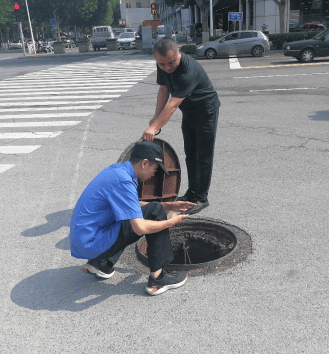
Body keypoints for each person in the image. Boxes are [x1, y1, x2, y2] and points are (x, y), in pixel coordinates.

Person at [70, 141, 196, 296]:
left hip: (84, 240)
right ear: (144, 163)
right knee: (154, 211)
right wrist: (170, 222)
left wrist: (170, 206)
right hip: (92, 243)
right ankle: (158, 278)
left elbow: (131, 205)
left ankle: (101, 263)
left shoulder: (118, 172)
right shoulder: (124, 180)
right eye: (155, 169)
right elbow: (140, 227)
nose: (154, 175)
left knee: (133, 212)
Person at [143, 37, 220, 215]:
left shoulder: (188, 70)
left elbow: (173, 104)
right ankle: (191, 193)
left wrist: (154, 128)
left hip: (206, 111)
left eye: (171, 62)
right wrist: (155, 119)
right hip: (190, 113)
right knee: (190, 155)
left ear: (178, 52)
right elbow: (164, 89)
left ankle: (201, 197)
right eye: (162, 64)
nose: (167, 67)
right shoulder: (162, 63)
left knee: (203, 156)